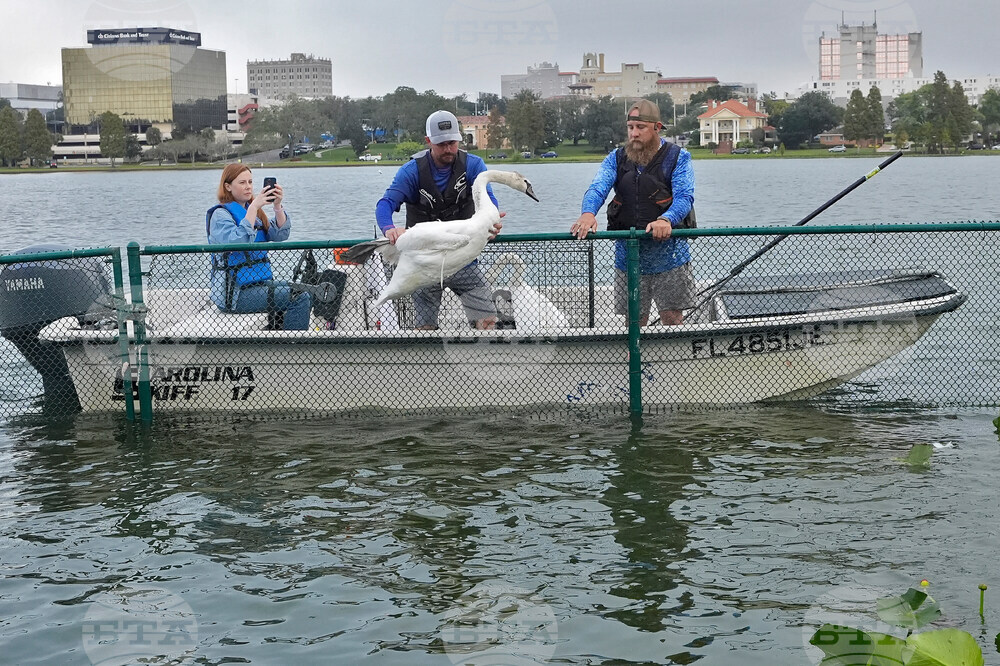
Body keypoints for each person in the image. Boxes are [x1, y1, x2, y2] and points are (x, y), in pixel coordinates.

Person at [571, 99, 695, 326]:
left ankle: (671, 360)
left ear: (657, 127)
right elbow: (598, 188)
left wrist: (666, 219)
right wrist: (588, 213)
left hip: (670, 256)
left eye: (641, 127)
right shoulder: (615, 158)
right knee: (635, 321)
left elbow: (685, 197)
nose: (634, 134)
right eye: (630, 127)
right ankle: (635, 360)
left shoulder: (678, 157)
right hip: (628, 256)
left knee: (672, 318)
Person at [374, 110, 502, 330]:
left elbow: (489, 200)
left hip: (464, 263)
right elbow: (385, 204)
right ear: (428, 141)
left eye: (452, 143)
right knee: (425, 328)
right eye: (441, 144)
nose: (448, 149)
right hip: (425, 265)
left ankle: (484, 361)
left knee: (488, 321)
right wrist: (389, 229)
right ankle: (425, 362)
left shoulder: (473, 166)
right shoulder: (411, 172)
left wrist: (492, 223)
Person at [206, 164, 312, 330]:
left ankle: (283, 342)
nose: (248, 186)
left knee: (303, 289)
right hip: (235, 295)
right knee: (299, 297)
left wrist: (277, 206)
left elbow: (280, 235)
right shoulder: (221, 215)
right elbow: (236, 242)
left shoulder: (252, 212)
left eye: (250, 182)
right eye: (242, 183)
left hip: (259, 285)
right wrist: (255, 206)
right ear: (228, 186)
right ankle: (294, 351)